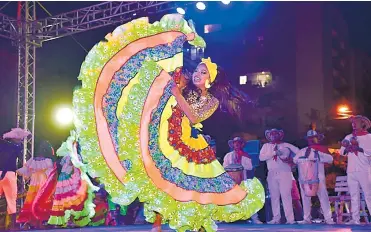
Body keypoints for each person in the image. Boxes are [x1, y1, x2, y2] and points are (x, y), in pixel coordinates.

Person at [68, 14, 265, 232]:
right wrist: (179, 42)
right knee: (159, 177)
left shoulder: (211, 100)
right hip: (166, 134)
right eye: (198, 70)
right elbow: (166, 74)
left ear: (210, 79)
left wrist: (176, 93)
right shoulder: (183, 84)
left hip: (189, 144)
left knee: (196, 185)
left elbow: (194, 117)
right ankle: (158, 223)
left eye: (203, 72)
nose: (198, 74)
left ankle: (198, 223)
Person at [32, 132, 98, 228]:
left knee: (71, 201)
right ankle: (64, 221)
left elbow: (77, 168)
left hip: (71, 180)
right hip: (64, 180)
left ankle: (70, 220)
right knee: (63, 201)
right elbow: (61, 166)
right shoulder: (67, 157)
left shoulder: (76, 157)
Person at [293, 130, 334, 224]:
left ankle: (328, 218)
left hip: (318, 178)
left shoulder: (320, 150)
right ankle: (306, 218)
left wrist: (318, 156)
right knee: (305, 198)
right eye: (309, 138)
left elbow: (330, 159)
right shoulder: (302, 151)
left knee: (323, 197)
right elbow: (295, 160)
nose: (311, 140)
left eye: (313, 138)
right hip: (304, 178)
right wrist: (304, 159)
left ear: (317, 138)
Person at [259, 128, 299, 224]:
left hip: (285, 172)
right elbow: (261, 157)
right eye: (271, 134)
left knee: (286, 195)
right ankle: (276, 218)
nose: (273, 136)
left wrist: (291, 160)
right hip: (272, 173)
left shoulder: (286, 145)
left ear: (280, 135)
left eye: (275, 134)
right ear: (269, 136)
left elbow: (299, 153)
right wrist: (274, 153)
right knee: (274, 196)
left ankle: (290, 219)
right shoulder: (266, 146)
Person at [223, 137, 263, 224]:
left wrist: (241, 163)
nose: (236, 144)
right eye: (235, 143)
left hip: (243, 180)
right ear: (233, 145)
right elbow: (224, 167)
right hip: (231, 181)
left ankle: (255, 218)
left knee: (248, 199)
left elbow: (250, 167)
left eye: (238, 143)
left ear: (241, 145)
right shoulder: (228, 155)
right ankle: (226, 218)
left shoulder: (246, 155)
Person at [16, 140, 55, 229]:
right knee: (43, 203)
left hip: (34, 185)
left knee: (31, 203)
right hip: (44, 185)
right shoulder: (48, 161)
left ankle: (31, 223)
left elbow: (26, 173)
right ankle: (41, 222)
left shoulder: (32, 160)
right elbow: (50, 174)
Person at [340, 115, 371, 225]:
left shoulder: (369, 137)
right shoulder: (348, 136)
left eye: (356, 122)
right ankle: (355, 219)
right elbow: (341, 151)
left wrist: (360, 149)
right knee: (354, 195)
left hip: (364, 169)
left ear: (362, 123)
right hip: (351, 170)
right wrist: (346, 148)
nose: (353, 124)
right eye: (352, 122)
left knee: (368, 195)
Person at [0, 128, 31, 230]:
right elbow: (16, 158)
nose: (21, 140)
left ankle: (10, 225)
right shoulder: (15, 147)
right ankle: (13, 226)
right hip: (8, 174)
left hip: (3, 172)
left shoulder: (3, 144)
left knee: (10, 199)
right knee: (11, 199)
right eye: (20, 139)